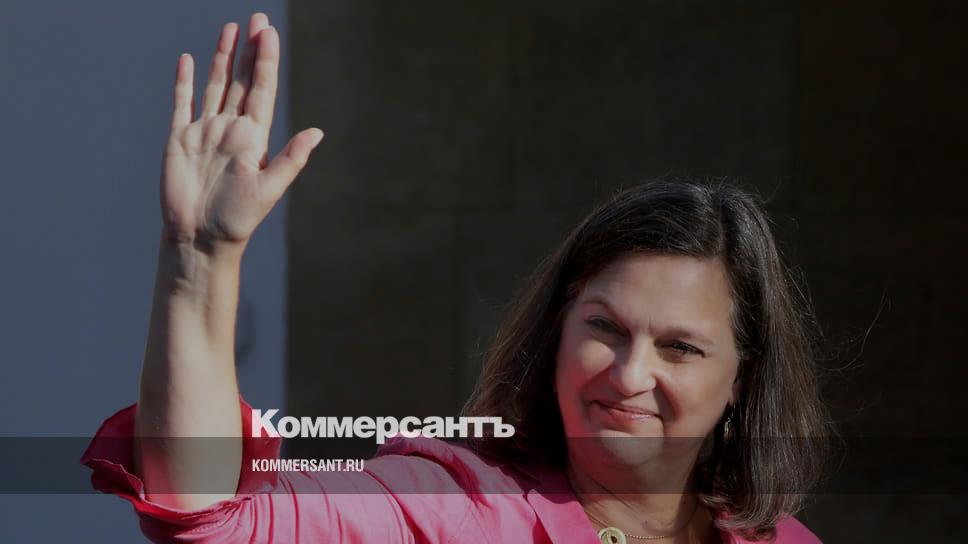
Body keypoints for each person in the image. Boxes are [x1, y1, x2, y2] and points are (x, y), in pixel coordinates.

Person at [81, 13, 830, 544]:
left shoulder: (781, 540)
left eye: (680, 347)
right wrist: (200, 259)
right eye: (605, 327)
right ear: (558, 329)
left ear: (742, 377)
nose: (630, 375)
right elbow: (215, 518)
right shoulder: (454, 507)